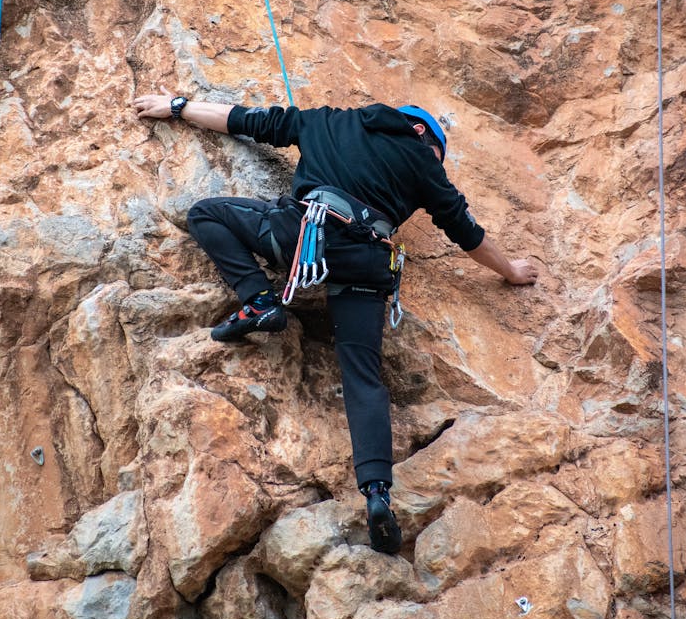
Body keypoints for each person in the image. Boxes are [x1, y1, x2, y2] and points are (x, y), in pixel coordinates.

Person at [134, 90, 538, 554]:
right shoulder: (424, 163)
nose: (435, 161)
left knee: (207, 214)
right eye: (437, 153)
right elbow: (466, 232)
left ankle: (260, 300)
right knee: (362, 376)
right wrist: (510, 271)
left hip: (305, 234)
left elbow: (244, 120)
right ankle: (377, 492)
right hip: (367, 263)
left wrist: (180, 106)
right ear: (422, 132)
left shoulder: (328, 121)